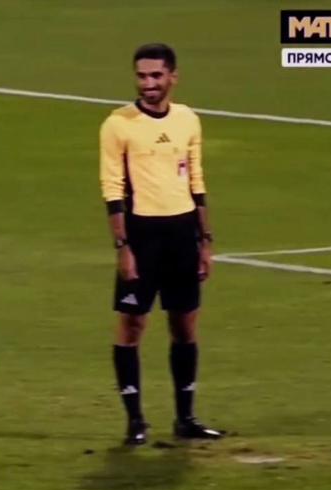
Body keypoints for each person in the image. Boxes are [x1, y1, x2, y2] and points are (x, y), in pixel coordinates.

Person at [99, 43, 223, 445]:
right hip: (142, 234)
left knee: (184, 325)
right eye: (141, 76)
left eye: (155, 75)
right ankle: (135, 421)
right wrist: (123, 246)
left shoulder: (188, 120)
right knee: (132, 325)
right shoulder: (118, 124)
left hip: (183, 232)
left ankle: (186, 418)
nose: (148, 83)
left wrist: (205, 240)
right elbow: (112, 188)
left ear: (173, 77)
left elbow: (197, 180)